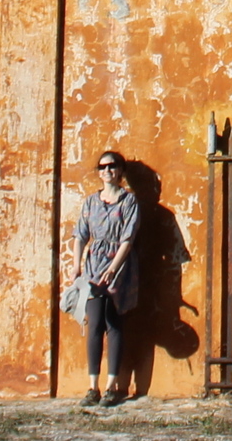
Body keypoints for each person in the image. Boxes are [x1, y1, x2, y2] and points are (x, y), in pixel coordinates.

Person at [68, 148, 139, 405]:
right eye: (102, 167)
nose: (107, 171)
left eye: (112, 166)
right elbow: (80, 235)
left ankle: (112, 387)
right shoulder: (91, 202)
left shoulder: (129, 201)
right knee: (95, 323)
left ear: (120, 170)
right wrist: (76, 265)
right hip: (94, 265)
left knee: (114, 324)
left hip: (119, 267)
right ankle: (92, 387)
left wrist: (114, 268)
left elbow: (127, 238)